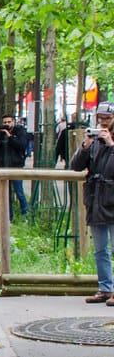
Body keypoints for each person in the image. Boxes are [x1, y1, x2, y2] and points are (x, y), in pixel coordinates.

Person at [70, 102, 114, 305]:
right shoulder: (94, 139)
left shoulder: (109, 140)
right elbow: (76, 166)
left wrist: (111, 145)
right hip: (96, 198)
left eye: (107, 118)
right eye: (101, 118)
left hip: (112, 198)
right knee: (100, 248)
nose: (103, 122)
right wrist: (85, 146)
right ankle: (105, 288)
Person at [0, 113, 30, 219]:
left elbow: (22, 146)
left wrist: (10, 137)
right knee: (5, 194)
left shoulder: (20, 131)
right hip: (3, 167)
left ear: (13, 122)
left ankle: (25, 215)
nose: (7, 124)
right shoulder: (0, 133)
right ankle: (9, 217)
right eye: (5, 122)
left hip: (16, 167)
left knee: (19, 192)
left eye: (9, 122)